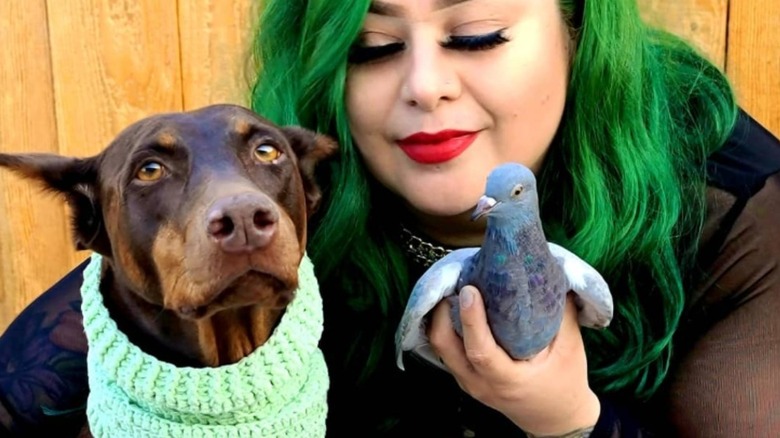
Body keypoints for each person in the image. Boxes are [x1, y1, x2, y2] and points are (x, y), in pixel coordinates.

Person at [1, 0, 779, 436]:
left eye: (476, 35)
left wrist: (571, 419)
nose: (426, 85)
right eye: (373, 47)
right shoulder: (291, 177)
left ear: (576, 32)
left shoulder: (735, 205)